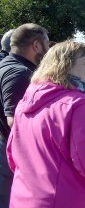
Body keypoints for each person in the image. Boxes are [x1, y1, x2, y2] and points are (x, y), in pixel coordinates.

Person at [6, 41, 85, 207]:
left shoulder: (25, 102)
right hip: (67, 200)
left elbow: (13, 155)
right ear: (66, 65)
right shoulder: (78, 104)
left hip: (23, 199)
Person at [0, 23, 49, 207]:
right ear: (36, 45)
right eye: (46, 44)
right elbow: (16, 122)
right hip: (8, 156)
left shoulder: (6, 64)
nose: (48, 49)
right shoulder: (20, 73)